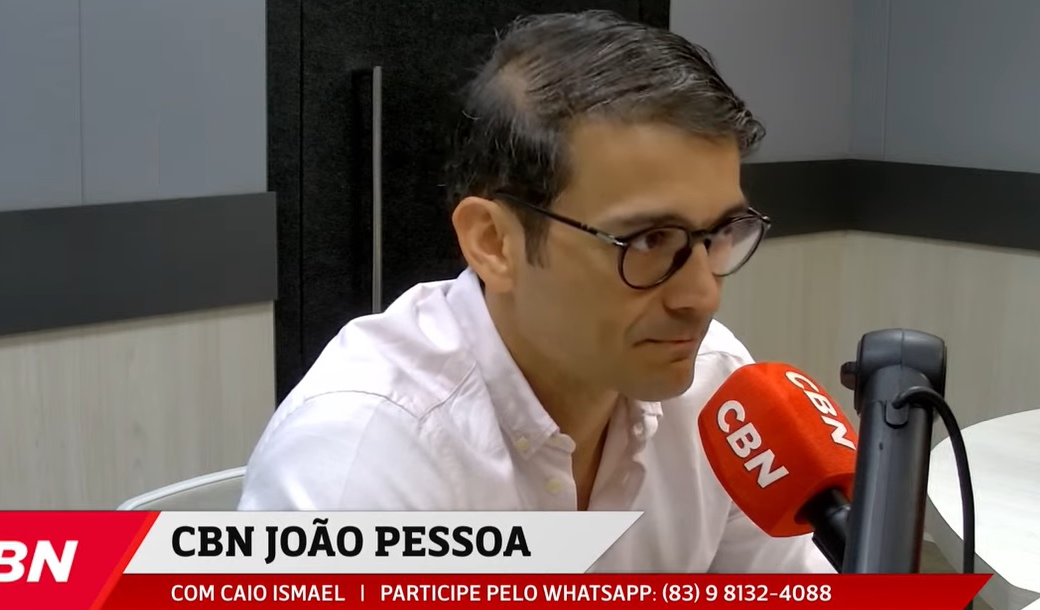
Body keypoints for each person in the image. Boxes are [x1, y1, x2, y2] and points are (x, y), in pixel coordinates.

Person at [239, 11, 832, 573]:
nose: (702, 297)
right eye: (649, 240)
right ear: (494, 242)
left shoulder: (719, 393)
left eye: (720, 233)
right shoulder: (360, 469)